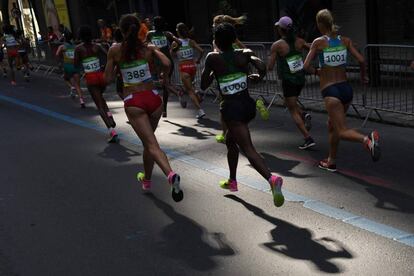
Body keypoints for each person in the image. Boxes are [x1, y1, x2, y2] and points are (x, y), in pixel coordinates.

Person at [201, 23, 285, 207]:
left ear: (216, 40)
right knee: (231, 142)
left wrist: (215, 71)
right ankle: (232, 181)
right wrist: (258, 77)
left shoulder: (212, 58)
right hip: (248, 106)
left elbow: (203, 84)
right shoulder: (244, 53)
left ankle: (271, 179)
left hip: (232, 110)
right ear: (233, 39)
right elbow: (262, 66)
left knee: (248, 149)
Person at [104, 14, 183, 202]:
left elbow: (107, 79)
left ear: (122, 30)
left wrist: (117, 70)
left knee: (151, 145)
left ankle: (170, 175)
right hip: (154, 100)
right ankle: (146, 180)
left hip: (135, 102)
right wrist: (163, 76)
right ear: (139, 29)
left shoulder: (115, 50)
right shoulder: (147, 48)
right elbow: (166, 63)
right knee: (149, 144)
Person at [303, 9, 380, 172]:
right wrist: (363, 77)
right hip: (346, 90)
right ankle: (331, 161)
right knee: (332, 125)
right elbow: (361, 59)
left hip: (331, 91)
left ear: (319, 24)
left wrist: (317, 72)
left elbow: (305, 66)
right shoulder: (345, 40)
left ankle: (367, 140)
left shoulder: (318, 42)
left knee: (341, 130)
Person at [268, 16, 315, 150]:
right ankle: (304, 115)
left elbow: (270, 67)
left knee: (292, 109)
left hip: (288, 80)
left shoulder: (277, 45)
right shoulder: (300, 41)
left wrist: (273, 58)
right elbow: (313, 48)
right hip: (300, 79)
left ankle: (308, 138)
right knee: (290, 103)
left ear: (280, 30)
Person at [74, 25, 118, 142]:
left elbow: (76, 65)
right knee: (101, 98)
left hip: (91, 77)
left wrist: (83, 67)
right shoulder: (97, 46)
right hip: (101, 75)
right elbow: (109, 55)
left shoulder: (79, 49)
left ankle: (111, 131)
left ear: (81, 36)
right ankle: (110, 116)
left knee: (98, 104)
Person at [212, 15, 247, 144]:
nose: (213, 27)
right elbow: (245, 49)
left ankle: (225, 133)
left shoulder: (217, 41)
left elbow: (216, 56)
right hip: (238, 75)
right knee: (239, 101)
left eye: (214, 25)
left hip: (225, 77)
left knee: (224, 105)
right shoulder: (233, 38)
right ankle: (239, 129)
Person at [146, 16, 182, 117]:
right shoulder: (167, 34)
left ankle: (176, 93)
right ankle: (164, 110)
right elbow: (179, 42)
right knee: (165, 83)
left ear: (154, 24)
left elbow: (145, 45)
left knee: (164, 83)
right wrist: (173, 50)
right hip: (168, 61)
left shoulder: (150, 34)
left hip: (158, 62)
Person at [171, 23, 206, 119]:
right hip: (192, 66)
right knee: (191, 86)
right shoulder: (191, 41)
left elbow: (172, 55)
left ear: (178, 31)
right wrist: (198, 60)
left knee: (189, 91)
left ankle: (200, 111)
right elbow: (202, 51)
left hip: (184, 67)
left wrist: (177, 49)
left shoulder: (175, 43)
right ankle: (197, 92)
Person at [56, 31, 85, 107]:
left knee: (65, 78)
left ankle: (71, 87)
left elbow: (57, 54)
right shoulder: (76, 46)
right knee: (78, 84)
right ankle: (81, 100)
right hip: (75, 66)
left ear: (64, 38)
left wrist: (62, 58)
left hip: (67, 66)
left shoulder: (62, 47)